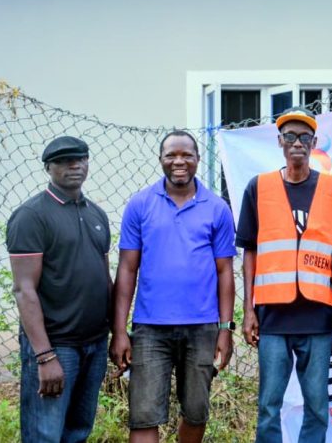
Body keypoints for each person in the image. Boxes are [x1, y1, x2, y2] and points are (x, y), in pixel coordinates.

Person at [236, 107, 332, 443]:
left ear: (314, 143)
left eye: (304, 137)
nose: (297, 143)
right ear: (280, 142)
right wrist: (248, 311)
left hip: (317, 315)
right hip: (273, 316)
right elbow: (250, 252)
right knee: (268, 405)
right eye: (290, 136)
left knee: (317, 406)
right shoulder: (259, 187)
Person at [110, 130, 236, 443]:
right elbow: (127, 269)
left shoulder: (217, 208)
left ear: (197, 160)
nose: (179, 161)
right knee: (143, 414)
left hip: (202, 328)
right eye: (171, 155)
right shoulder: (140, 204)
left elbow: (225, 272)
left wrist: (225, 329)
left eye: (186, 155)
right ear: (161, 160)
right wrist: (120, 330)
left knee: (196, 412)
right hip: (150, 329)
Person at [8, 136, 112, 442]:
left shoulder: (96, 214)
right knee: (45, 435)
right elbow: (24, 290)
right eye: (65, 161)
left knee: (78, 431)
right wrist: (44, 355)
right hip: (57, 346)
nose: (75, 166)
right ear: (48, 168)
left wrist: (115, 332)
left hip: (94, 343)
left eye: (81, 159)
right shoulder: (31, 216)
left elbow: (104, 277)